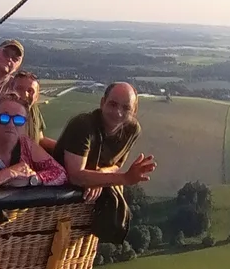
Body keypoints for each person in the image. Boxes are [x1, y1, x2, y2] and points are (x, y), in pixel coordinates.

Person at [56, 82, 156, 244]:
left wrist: (101, 175)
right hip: (60, 198)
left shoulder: (131, 130)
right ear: (102, 103)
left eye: (126, 108)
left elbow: (116, 164)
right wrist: (124, 179)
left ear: (134, 111)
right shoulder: (83, 125)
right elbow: (75, 176)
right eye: (113, 104)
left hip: (88, 205)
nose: (118, 112)